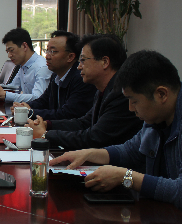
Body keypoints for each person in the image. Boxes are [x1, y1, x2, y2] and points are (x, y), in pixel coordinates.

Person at [50, 50, 182, 209]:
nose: (131, 108)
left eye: (134, 101)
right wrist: (89, 154)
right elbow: (131, 150)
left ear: (161, 94)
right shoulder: (156, 118)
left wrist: (126, 177)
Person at [27, 34, 142, 149]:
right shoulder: (103, 90)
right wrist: (47, 124)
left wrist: (45, 135)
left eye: (83, 60)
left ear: (105, 62)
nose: (79, 67)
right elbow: (84, 123)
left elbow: (94, 137)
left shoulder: (122, 94)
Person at [12, 30, 96, 120]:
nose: (47, 56)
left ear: (70, 57)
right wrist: (24, 106)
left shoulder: (81, 78)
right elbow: (43, 101)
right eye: (47, 50)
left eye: (53, 51)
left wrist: (29, 112)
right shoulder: (56, 75)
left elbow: (66, 114)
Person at [0, 28, 51, 103]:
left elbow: (38, 98)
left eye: (12, 50)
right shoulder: (23, 66)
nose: (9, 55)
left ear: (24, 46)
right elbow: (14, 88)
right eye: (7, 52)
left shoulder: (42, 67)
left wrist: (5, 95)